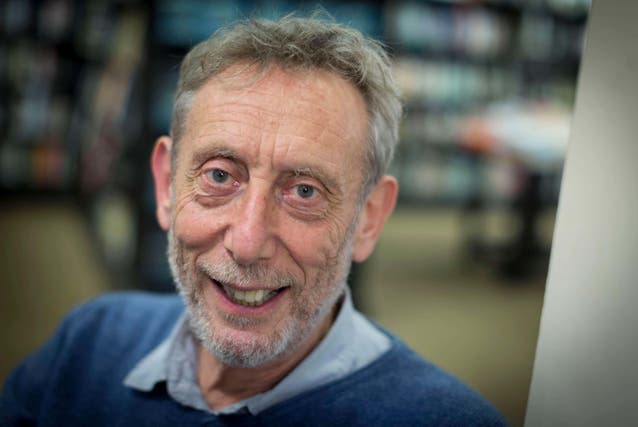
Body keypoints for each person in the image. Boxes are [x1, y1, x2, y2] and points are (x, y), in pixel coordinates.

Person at [0, 15, 507, 426]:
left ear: (369, 220)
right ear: (165, 186)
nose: (247, 242)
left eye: (304, 191)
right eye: (220, 176)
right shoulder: (88, 342)